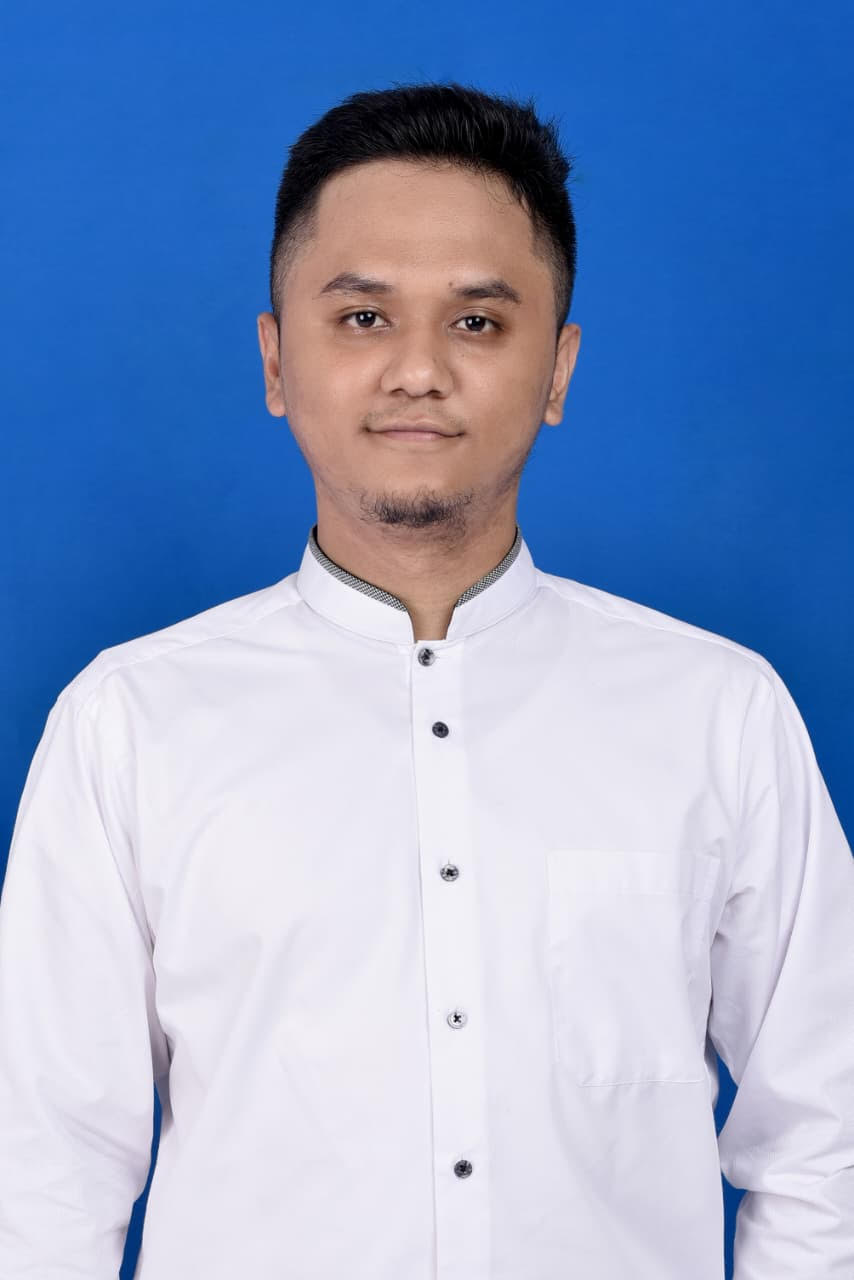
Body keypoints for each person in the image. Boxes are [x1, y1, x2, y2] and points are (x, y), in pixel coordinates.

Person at [0, 80, 852, 1280]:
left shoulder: (717, 712)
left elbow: (825, 1136)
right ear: (275, 359)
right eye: (361, 317)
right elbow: (42, 1169)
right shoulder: (128, 723)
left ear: (556, 369)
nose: (416, 369)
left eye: (476, 322)